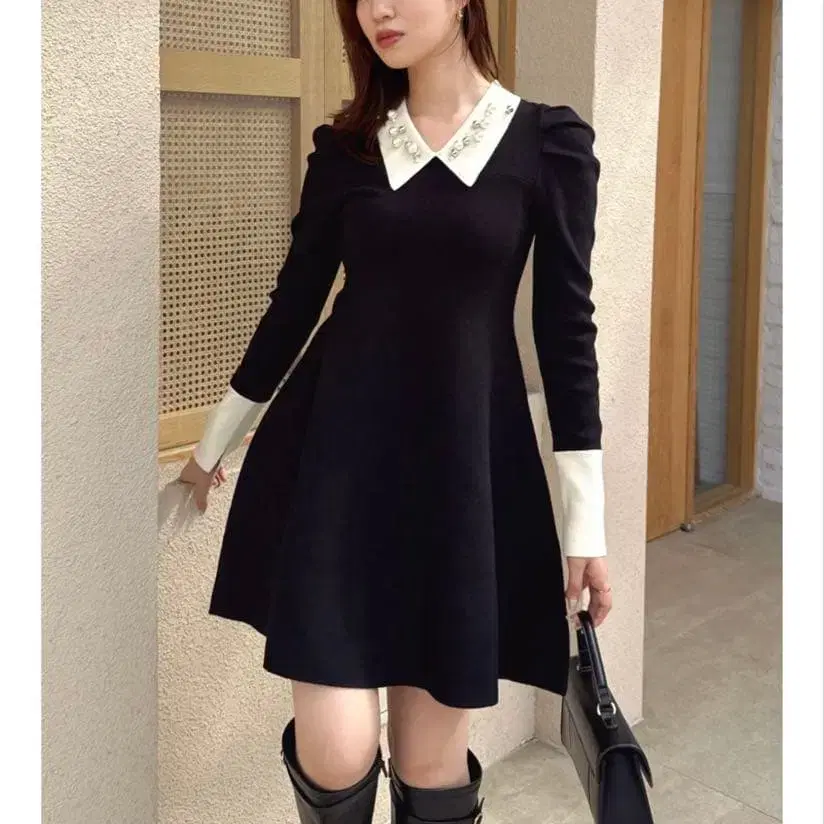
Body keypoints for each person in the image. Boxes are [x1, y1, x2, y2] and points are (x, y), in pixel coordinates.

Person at [178, 1, 613, 822]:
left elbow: (566, 336)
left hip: (461, 475)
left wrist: (584, 529)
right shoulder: (347, 151)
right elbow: (294, 306)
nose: (375, 9)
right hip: (337, 468)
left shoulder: (545, 144)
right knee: (336, 752)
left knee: (430, 763)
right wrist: (213, 444)